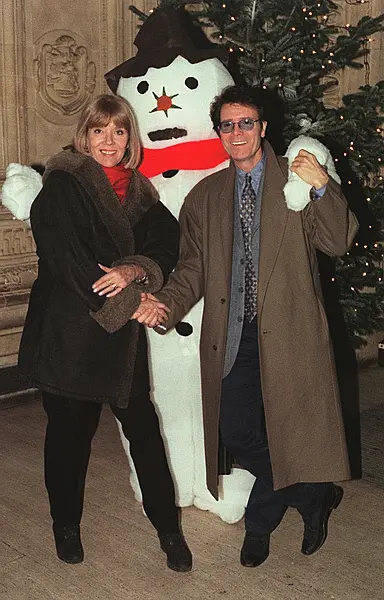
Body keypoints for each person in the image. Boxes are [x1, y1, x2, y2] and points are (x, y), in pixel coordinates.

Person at [133, 85, 359, 567]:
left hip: (291, 332)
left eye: (246, 123)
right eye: (227, 125)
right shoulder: (206, 197)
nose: (237, 132)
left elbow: (338, 240)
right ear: (219, 132)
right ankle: (313, 495)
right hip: (233, 337)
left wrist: (321, 185)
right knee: (235, 432)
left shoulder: (295, 182)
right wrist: (166, 305)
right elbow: (192, 268)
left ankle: (258, 527)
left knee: (287, 429)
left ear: (263, 128)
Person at [18, 94, 192, 572]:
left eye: (119, 132)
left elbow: (165, 239)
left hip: (120, 341)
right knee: (69, 437)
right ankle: (65, 525)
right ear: (85, 136)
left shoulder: (141, 191)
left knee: (144, 432)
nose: (109, 141)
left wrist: (136, 269)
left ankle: (168, 528)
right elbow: (69, 264)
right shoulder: (62, 185)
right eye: (100, 131)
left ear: (129, 139)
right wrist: (134, 304)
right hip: (71, 332)